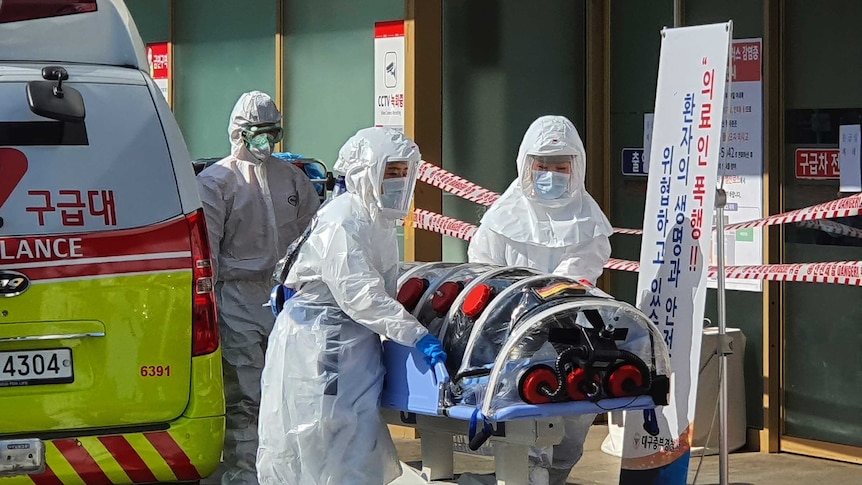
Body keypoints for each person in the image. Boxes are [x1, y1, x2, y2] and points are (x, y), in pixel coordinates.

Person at [256, 127, 447, 485]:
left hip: (353, 344)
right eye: (392, 172)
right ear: (365, 171)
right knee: (318, 437)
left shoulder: (375, 218)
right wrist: (417, 335)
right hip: (321, 347)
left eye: (405, 172)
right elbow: (361, 295)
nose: (400, 181)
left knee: (354, 439)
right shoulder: (343, 220)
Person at [467, 115, 613, 485]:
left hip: (571, 329)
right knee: (523, 415)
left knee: (574, 416)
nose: (551, 174)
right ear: (526, 165)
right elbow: (483, 270)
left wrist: (550, 301)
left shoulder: (588, 219)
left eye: (560, 167)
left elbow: (576, 274)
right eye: (542, 166)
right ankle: (529, 473)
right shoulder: (503, 217)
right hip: (510, 332)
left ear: (575, 168)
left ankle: (556, 473)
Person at [197, 91, 321, 485]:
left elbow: (313, 235)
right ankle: (241, 474)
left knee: (286, 392)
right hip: (235, 299)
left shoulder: (292, 178)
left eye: (273, 131)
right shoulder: (217, 182)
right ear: (240, 133)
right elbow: (207, 252)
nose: (266, 140)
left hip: (284, 298)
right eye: (259, 133)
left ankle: (280, 472)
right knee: (244, 396)